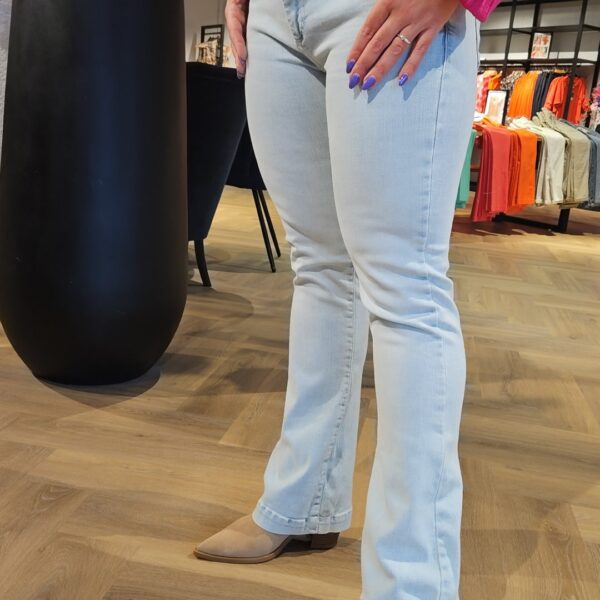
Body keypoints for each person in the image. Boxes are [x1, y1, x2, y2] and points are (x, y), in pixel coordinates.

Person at [194, 0, 500, 598]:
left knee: (406, 289)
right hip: (274, 18)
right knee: (319, 268)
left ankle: (410, 585)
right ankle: (302, 501)